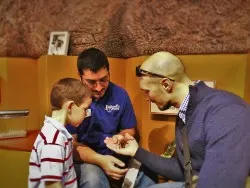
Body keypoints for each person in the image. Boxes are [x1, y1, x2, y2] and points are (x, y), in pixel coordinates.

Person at [105, 51, 250, 188]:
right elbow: (184, 170)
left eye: (147, 91)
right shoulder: (186, 112)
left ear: (166, 85)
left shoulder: (225, 111)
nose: (147, 98)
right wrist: (136, 151)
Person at [66, 48, 149, 188]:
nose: (99, 88)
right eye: (91, 82)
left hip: (116, 154)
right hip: (87, 159)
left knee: (147, 173)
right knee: (94, 179)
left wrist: (120, 137)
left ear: (109, 74)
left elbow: (130, 129)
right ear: (80, 77)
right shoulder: (70, 99)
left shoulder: (120, 94)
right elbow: (70, 145)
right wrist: (101, 161)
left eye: (104, 80)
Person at [28, 78, 92, 188]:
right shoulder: (53, 140)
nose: (86, 114)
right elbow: (52, 184)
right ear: (70, 107)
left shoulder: (58, 134)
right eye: (85, 109)